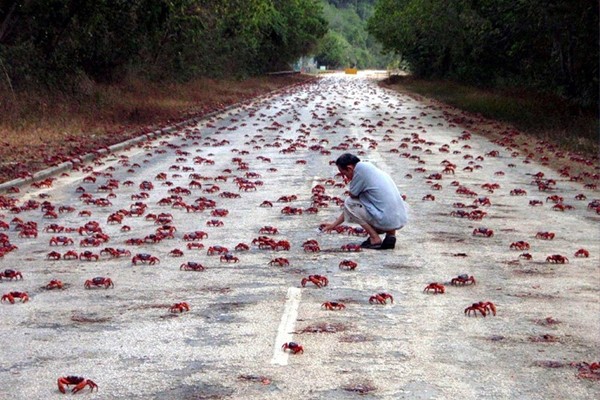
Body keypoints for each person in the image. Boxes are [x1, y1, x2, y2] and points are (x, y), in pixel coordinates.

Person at [321, 153, 408, 250]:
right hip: (399, 219)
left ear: (349, 168)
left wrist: (353, 183)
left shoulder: (360, 173)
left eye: (344, 174)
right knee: (379, 201)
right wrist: (334, 225)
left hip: (386, 221)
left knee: (349, 201)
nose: (345, 177)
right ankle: (390, 236)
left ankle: (375, 238)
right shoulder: (370, 168)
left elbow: (351, 201)